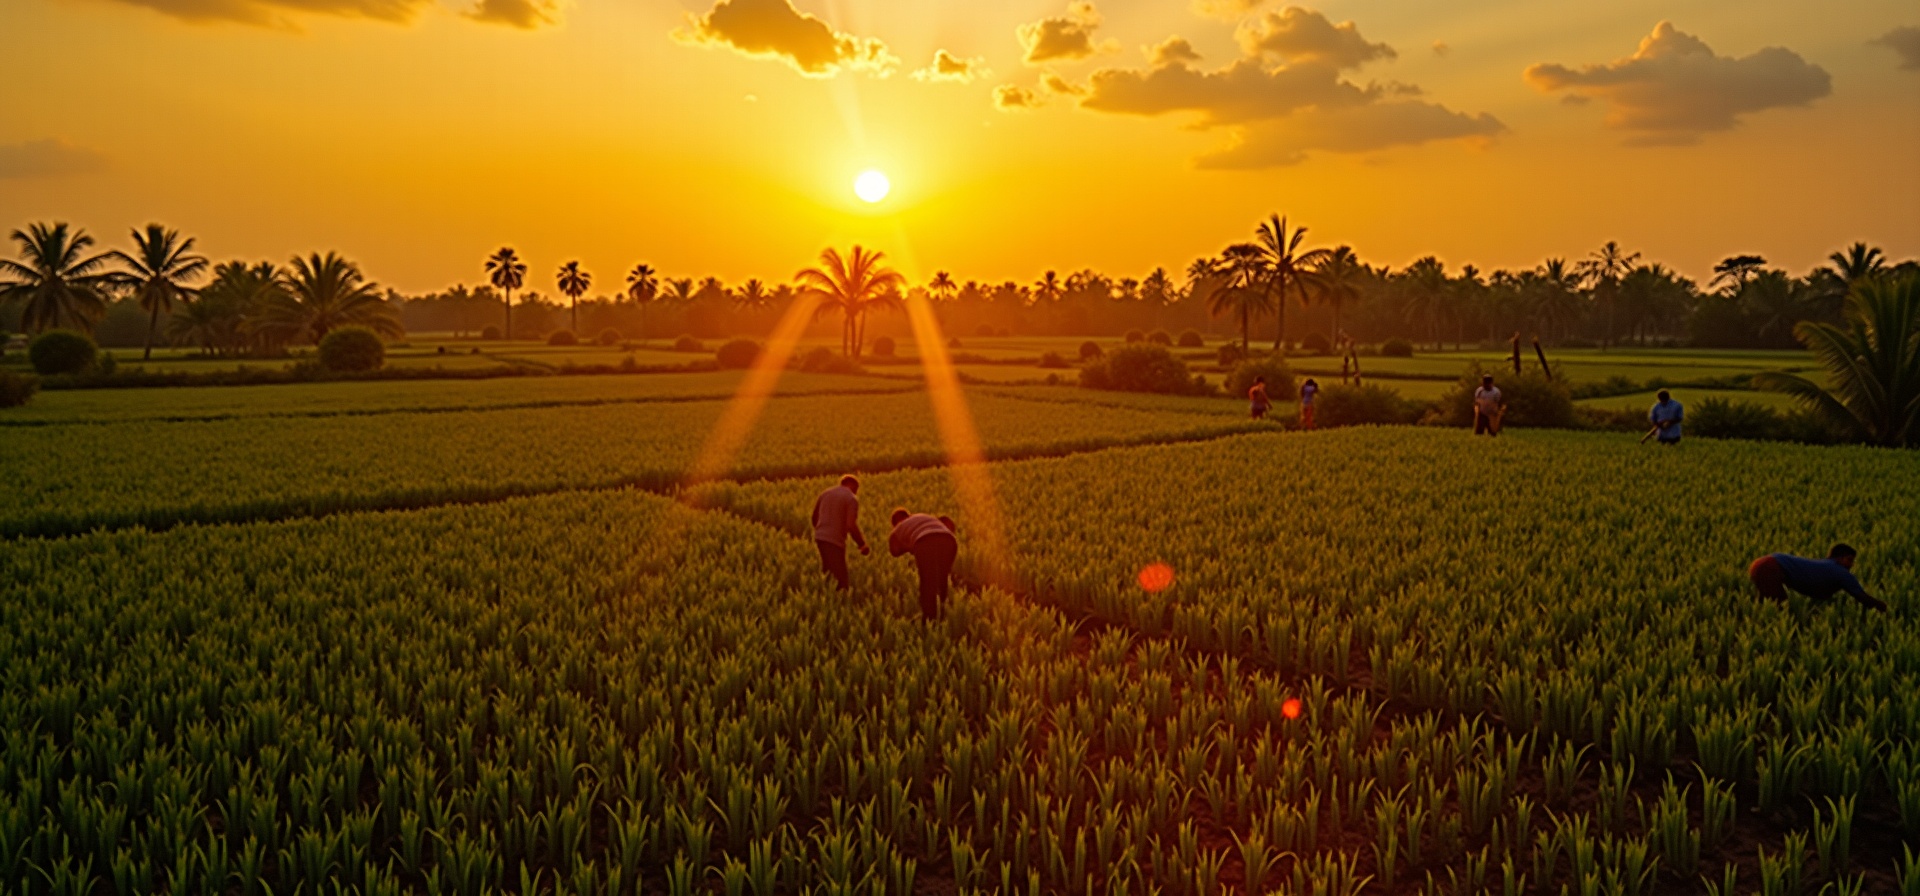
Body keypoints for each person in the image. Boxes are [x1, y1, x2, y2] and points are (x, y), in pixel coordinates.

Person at [1747, 544, 1887, 612]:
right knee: (1780, 608)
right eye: (1849, 560)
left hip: (1761, 563)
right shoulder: (1840, 571)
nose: (1851, 565)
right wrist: (1884, 608)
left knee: (1766, 603)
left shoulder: (1827, 565)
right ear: (1839, 558)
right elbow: (1862, 597)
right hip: (1770, 566)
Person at [889, 508, 958, 619]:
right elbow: (948, 523)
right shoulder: (923, 516)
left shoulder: (899, 526)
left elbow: (894, 550)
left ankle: (929, 619)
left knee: (927, 583)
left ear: (896, 522)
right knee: (942, 579)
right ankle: (943, 613)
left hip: (924, 542)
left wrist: (908, 547)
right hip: (950, 541)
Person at [810, 475, 869, 590]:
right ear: (853, 486)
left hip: (820, 538)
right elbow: (851, 525)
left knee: (828, 571)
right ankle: (840, 600)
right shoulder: (851, 498)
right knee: (841, 577)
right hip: (834, 540)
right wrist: (861, 544)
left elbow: (814, 518)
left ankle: (825, 596)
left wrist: (822, 530)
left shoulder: (825, 493)